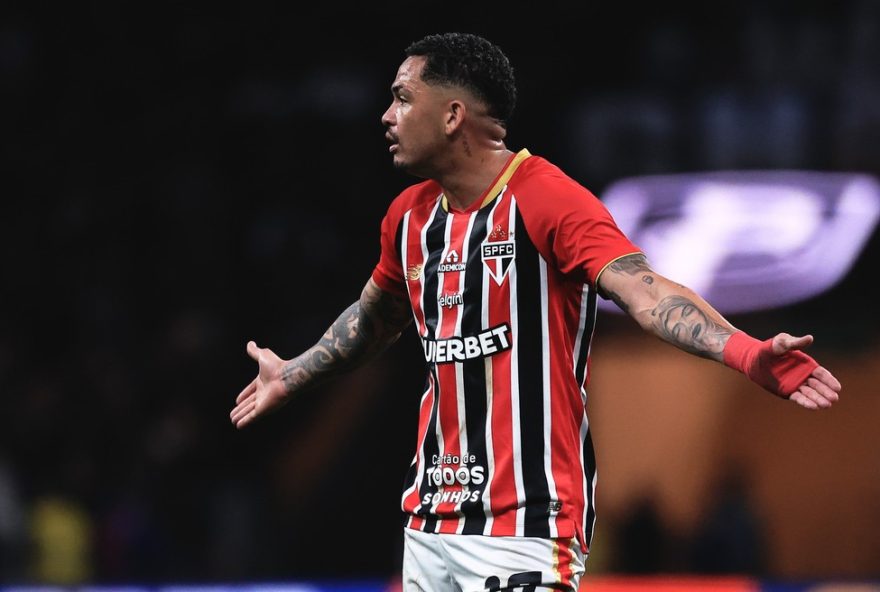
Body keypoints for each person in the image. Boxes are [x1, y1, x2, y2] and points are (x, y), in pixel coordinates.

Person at [229, 32, 841, 591]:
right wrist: (295, 372)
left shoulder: (545, 197)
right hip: (428, 525)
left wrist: (745, 351)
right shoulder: (409, 218)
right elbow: (375, 318)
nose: (387, 116)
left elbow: (645, 291)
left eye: (402, 98)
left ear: (451, 116)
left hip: (525, 524)